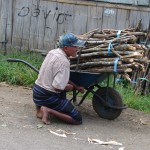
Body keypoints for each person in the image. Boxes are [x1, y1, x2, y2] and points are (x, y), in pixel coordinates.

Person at [32, 33, 86, 125]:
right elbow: (57, 87)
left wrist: (76, 87)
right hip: (47, 96)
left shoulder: (52, 52)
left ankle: (40, 109)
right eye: (75, 47)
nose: (77, 49)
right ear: (65, 48)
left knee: (61, 92)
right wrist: (68, 87)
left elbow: (61, 77)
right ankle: (48, 110)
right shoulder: (64, 62)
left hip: (37, 92)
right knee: (77, 119)